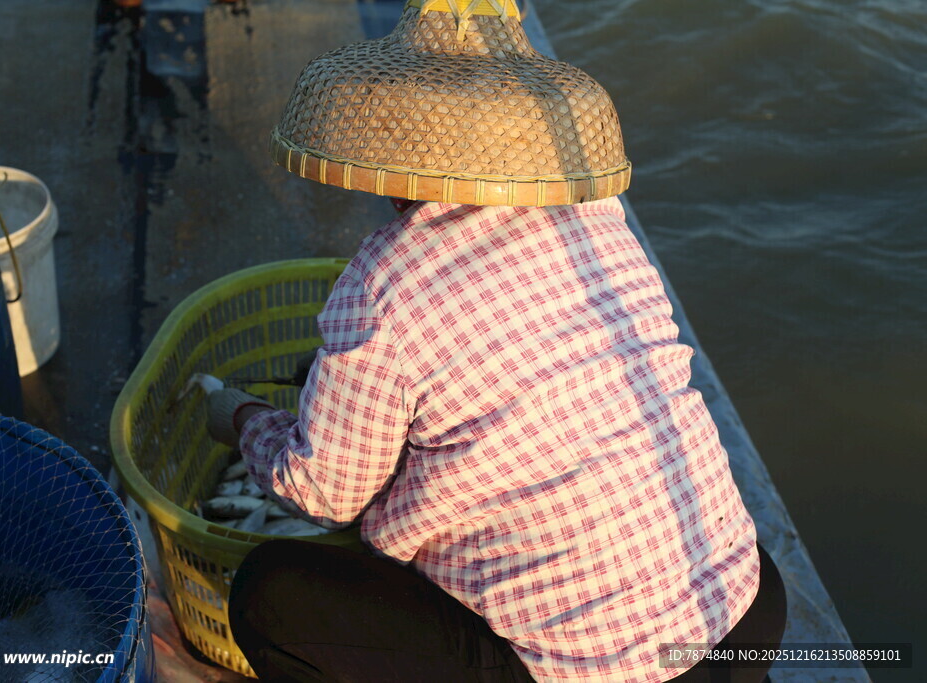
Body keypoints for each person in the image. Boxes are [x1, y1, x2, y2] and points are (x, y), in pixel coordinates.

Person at [207, 1, 786, 680]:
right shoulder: (596, 211)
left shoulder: (385, 283)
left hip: (597, 668)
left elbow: (324, 491)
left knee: (266, 595)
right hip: (745, 611)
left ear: (385, 157)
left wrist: (242, 418)